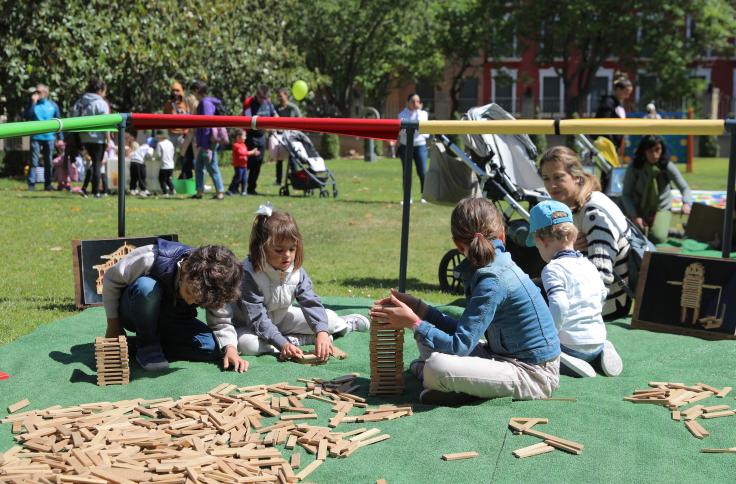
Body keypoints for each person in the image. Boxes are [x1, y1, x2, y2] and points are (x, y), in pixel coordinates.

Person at [370, 198, 560, 406]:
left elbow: (458, 346)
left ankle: (460, 387)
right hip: (501, 356)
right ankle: (464, 386)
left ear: (458, 245)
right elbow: (464, 333)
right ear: (503, 235)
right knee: (429, 348)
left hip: (534, 374)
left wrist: (414, 323)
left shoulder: (493, 280)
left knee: (435, 366)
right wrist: (420, 309)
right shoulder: (492, 269)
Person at [215, 205, 370, 359]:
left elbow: (310, 302)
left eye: (292, 249)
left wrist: (321, 332)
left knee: (327, 320)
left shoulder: (296, 271)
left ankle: (345, 324)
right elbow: (257, 319)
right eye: (279, 250)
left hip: (281, 319)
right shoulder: (248, 275)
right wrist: (282, 343)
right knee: (247, 345)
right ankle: (294, 342)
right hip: (249, 325)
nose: (287, 256)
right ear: (261, 248)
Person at [103, 239, 247, 372]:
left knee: (211, 347)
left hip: (173, 320)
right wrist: (114, 325)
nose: (191, 302)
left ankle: (139, 344)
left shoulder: (214, 284)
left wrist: (231, 348)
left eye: (198, 302)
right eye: (188, 293)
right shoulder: (151, 256)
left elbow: (221, 321)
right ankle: (147, 345)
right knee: (146, 287)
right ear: (185, 269)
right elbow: (111, 279)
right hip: (135, 311)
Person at [527, 200, 623, 378]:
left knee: (533, 346)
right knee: (588, 340)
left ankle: (567, 360)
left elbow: (559, 304)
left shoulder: (552, 269)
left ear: (540, 240)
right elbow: (602, 294)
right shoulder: (588, 265)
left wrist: (550, 336)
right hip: (597, 340)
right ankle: (600, 350)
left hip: (570, 346)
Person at [539, 146, 632, 320]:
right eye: (546, 178)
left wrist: (584, 322)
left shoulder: (594, 214)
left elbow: (601, 276)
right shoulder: (574, 207)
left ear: (576, 177)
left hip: (606, 307)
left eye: (558, 177)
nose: (551, 185)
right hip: (585, 295)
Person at [621, 135, 692, 243]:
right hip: (638, 208)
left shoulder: (667, 166)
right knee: (630, 236)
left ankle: (666, 230)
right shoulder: (634, 167)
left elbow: (684, 187)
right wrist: (634, 216)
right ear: (643, 151)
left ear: (662, 149)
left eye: (657, 150)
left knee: (657, 238)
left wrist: (686, 203)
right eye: (650, 151)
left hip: (661, 208)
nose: (654, 155)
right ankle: (669, 231)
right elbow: (626, 194)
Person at [72, 78, 110, 198]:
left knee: (92, 163)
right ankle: (96, 191)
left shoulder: (81, 101)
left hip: (84, 137)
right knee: (97, 164)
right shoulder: (101, 103)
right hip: (98, 138)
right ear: (100, 90)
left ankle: (84, 188)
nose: (105, 94)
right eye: (104, 91)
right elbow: (106, 123)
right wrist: (108, 139)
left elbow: (73, 115)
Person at [191, 80, 226, 200]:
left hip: (208, 142)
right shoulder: (207, 102)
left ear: (196, 91)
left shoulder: (205, 103)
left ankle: (220, 191)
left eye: (192, 92)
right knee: (199, 166)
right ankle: (199, 191)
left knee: (212, 166)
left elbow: (207, 124)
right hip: (205, 142)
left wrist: (205, 145)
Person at [23, 84, 61, 191]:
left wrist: (60, 137)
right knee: (34, 161)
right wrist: (33, 103)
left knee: (49, 162)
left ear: (45, 93)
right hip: (36, 137)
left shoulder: (53, 105)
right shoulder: (33, 105)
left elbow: (58, 121)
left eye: (39, 92)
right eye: (36, 92)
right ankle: (31, 184)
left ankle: (48, 184)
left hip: (49, 138)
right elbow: (27, 116)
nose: (36, 94)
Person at [243, 86, 278, 195]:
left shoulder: (267, 102)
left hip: (262, 137)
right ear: (257, 95)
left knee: (258, 163)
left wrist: (279, 123)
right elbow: (248, 122)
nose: (263, 100)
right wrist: (268, 128)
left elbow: (275, 114)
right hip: (251, 136)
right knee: (249, 163)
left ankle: (251, 188)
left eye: (265, 98)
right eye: (261, 98)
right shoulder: (249, 103)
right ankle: (242, 187)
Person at [397, 93, 430, 204]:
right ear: (407, 102)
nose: (415, 103)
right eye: (413, 101)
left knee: (423, 172)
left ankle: (424, 196)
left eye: (418, 101)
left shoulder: (423, 114)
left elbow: (423, 128)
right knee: (407, 173)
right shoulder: (402, 114)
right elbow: (402, 132)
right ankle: (408, 197)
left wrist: (417, 112)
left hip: (420, 145)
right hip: (406, 146)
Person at [270, 88, 301, 185]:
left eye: (281, 95)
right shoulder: (275, 108)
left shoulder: (293, 108)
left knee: (292, 157)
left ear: (286, 95)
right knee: (279, 157)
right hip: (280, 136)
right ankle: (278, 180)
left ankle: (296, 178)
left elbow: (300, 122)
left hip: (291, 135)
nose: (279, 98)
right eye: (278, 96)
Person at [162, 81, 193, 180]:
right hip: (171, 135)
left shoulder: (187, 104)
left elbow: (191, 116)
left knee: (186, 158)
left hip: (184, 135)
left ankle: (186, 177)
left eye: (177, 90)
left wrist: (187, 130)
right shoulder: (168, 104)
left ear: (182, 91)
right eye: (173, 90)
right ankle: (169, 180)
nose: (175, 93)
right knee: (170, 158)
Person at [595, 76, 633, 151]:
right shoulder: (608, 102)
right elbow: (605, 123)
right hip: (606, 144)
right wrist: (611, 142)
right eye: (626, 93)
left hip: (614, 144)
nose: (627, 96)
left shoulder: (618, 104)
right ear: (618, 90)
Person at [226, 129, 258, 196]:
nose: (245, 137)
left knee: (244, 179)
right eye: (244, 136)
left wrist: (255, 153)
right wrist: (252, 152)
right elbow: (242, 153)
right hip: (238, 166)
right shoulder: (236, 145)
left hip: (244, 165)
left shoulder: (243, 145)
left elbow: (245, 153)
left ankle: (243, 191)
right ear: (238, 137)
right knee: (238, 178)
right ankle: (231, 190)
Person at [155, 130, 176, 196]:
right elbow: (173, 153)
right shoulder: (170, 143)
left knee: (162, 180)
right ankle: (172, 189)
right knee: (168, 179)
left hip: (164, 165)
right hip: (171, 165)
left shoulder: (160, 144)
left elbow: (158, 155)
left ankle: (165, 192)